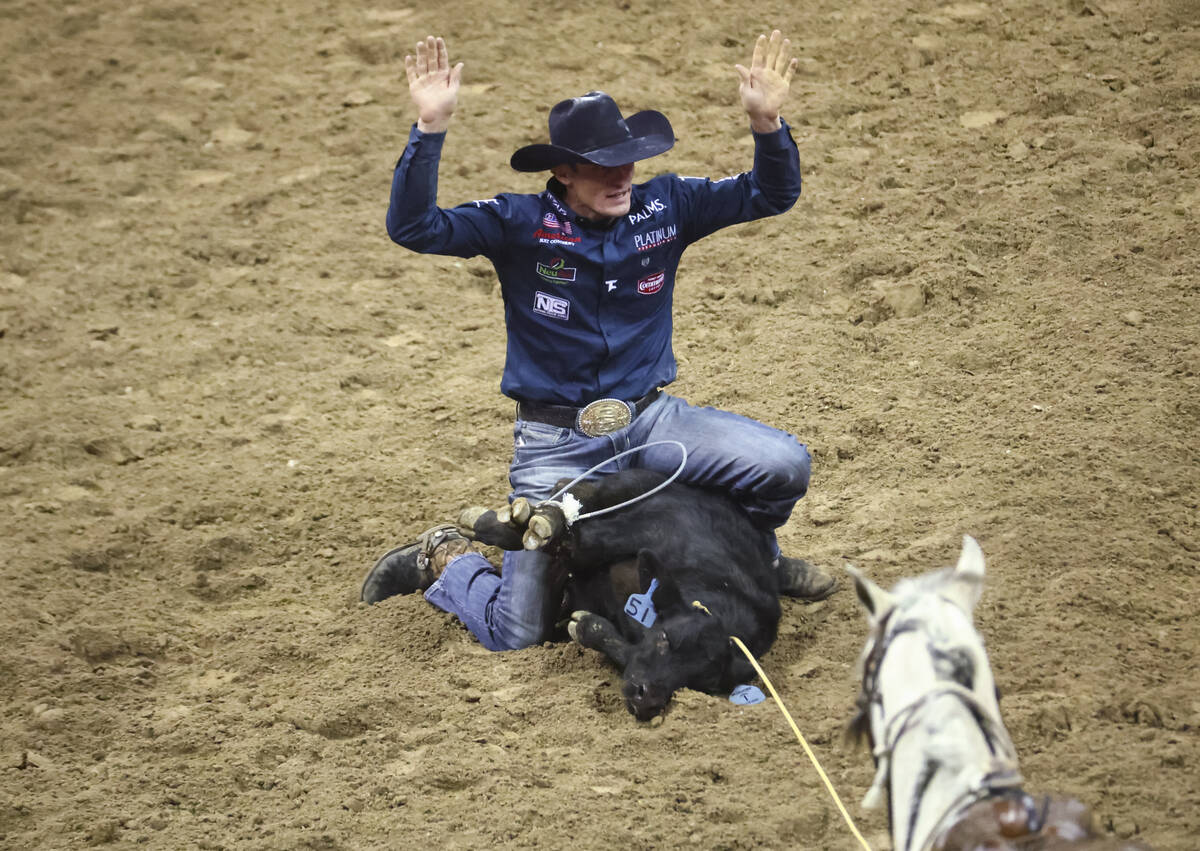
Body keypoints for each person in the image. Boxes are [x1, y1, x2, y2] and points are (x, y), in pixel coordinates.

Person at [362, 31, 837, 651]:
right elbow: (413, 227)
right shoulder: (516, 223)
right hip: (557, 445)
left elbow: (771, 193)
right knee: (519, 633)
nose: (622, 176)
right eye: (602, 166)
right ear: (562, 171)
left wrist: (767, 122)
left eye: (628, 160)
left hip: (652, 421)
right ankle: (444, 560)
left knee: (783, 465)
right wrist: (429, 129)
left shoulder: (667, 205)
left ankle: (756, 559)